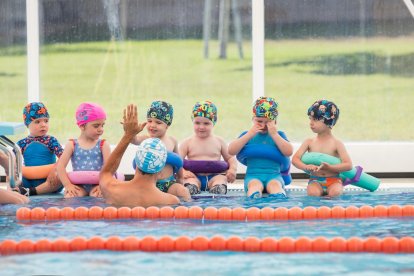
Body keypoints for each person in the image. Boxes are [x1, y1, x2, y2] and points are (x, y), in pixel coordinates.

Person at [100, 104, 180, 207]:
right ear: (160, 170)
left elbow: (105, 173)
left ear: (136, 161)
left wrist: (128, 134)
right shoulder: (171, 201)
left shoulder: (112, 190)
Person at [228, 96, 293, 198]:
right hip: (253, 175)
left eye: (268, 122)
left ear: (275, 122)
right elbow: (231, 150)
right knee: (254, 186)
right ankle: (254, 200)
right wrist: (250, 134)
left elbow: (288, 152)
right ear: (253, 120)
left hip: (274, 175)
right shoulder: (247, 135)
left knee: (275, 186)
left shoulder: (279, 135)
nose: (263, 125)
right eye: (259, 121)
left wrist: (274, 135)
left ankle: (278, 199)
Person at [131, 100, 190, 200]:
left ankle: (187, 211)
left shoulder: (172, 141)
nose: (152, 125)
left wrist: (180, 179)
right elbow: (134, 140)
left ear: (167, 125)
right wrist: (130, 131)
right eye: (149, 121)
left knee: (183, 191)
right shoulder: (146, 139)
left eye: (158, 122)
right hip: (148, 184)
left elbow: (178, 162)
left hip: (168, 184)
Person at [292, 99, 352, 197]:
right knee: (312, 193)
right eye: (310, 119)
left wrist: (330, 167)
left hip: (334, 180)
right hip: (315, 180)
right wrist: (305, 167)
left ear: (328, 122)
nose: (311, 123)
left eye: (315, 120)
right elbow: (295, 159)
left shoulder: (337, 143)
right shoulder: (309, 142)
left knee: (335, 193)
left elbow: (348, 165)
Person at [179, 101, 237, 195]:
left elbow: (230, 158)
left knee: (221, 179)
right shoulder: (187, 142)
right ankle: (191, 189)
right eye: (197, 123)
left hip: (214, 177)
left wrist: (232, 170)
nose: (201, 127)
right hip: (194, 176)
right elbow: (177, 160)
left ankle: (218, 189)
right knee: (189, 185)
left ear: (213, 123)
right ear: (192, 121)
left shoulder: (219, 141)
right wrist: (183, 171)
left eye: (206, 123)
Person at [57, 102, 111, 198]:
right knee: (69, 197)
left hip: (98, 185)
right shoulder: (72, 144)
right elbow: (60, 167)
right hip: (79, 186)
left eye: (102, 125)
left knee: (100, 196)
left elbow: (110, 168)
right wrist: (67, 185)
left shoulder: (103, 145)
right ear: (82, 126)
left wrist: (103, 185)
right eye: (96, 126)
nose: (101, 129)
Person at [15, 102, 64, 196]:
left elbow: (64, 157)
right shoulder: (22, 143)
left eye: (46, 121)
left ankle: (32, 191)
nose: (43, 125)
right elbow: (11, 159)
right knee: (13, 178)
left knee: (62, 176)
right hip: (28, 180)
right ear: (27, 124)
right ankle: (26, 190)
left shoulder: (51, 140)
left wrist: (55, 169)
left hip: (50, 180)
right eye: (37, 122)